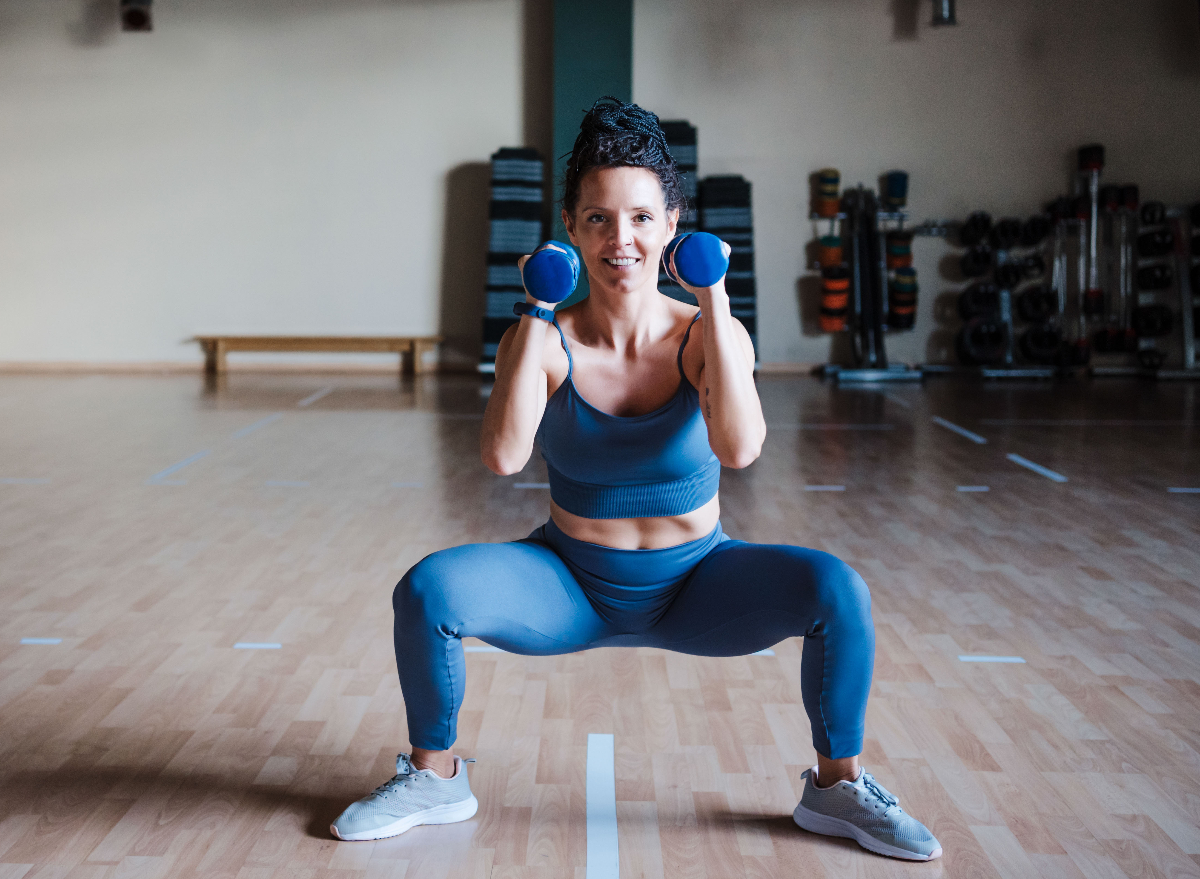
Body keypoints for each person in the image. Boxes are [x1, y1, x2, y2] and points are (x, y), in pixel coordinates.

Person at [330, 97, 941, 862]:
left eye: (642, 219)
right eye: (597, 219)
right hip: (570, 584)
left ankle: (837, 785)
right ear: (570, 225)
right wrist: (532, 310)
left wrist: (715, 295)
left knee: (838, 590)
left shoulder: (702, 335)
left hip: (698, 583)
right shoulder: (547, 338)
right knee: (428, 590)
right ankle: (434, 774)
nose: (621, 240)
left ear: (673, 225)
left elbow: (742, 445)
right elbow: (502, 455)